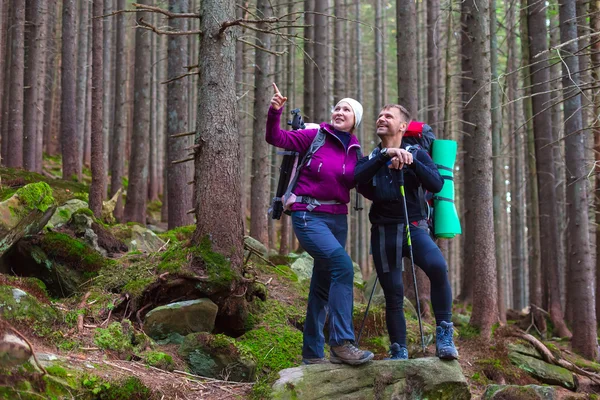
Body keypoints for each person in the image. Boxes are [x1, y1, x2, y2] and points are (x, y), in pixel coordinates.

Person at [266, 83, 374, 366]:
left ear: (355, 121)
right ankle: (341, 343)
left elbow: (363, 186)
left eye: (347, 109)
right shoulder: (315, 136)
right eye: (337, 107)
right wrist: (274, 111)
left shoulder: (355, 152)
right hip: (308, 215)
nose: (340, 112)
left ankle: (312, 353)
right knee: (342, 267)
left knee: (322, 285)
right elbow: (275, 137)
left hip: (338, 220)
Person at [354, 104, 458, 361]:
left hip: (414, 227)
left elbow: (436, 183)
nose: (381, 118)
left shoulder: (418, 153)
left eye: (388, 116)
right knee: (393, 293)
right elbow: (356, 180)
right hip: (383, 231)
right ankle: (398, 348)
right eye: (379, 115)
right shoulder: (371, 157)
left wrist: (411, 164)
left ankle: (445, 335)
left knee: (437, 267)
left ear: (402, 126)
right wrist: (384, 156)